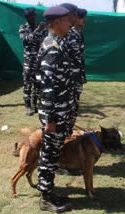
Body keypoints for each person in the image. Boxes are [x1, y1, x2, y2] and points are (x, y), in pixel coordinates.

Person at [37, 5, 73, 212]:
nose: (70, 23)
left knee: (53, 154)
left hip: (59, 110)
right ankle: (45, 199)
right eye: (67, 20)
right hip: (53, 113)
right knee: (49, 155)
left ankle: (49, 191)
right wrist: (50, 118)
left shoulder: (57, 44)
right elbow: (48, 85)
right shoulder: (52, 47)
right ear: (57, 22)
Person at [19, 7, 47, 115]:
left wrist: (44, 29)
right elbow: (26, 40)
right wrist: (37, 30)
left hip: (38, 61)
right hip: (28, 61)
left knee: (38, 84)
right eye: (32, 16)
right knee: (28, 84)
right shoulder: (23, 28)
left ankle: (35, 106)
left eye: (34, 15)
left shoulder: (38, 27)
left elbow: (44, 39)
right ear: (27, 17)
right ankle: (28, 107)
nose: (34, 17)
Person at [59, 3, 83, 126]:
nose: (77, 18)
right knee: (65, 115)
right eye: (74, 15)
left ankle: (68, 132)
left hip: (73, 79)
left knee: (72, 111)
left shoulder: (72, 33)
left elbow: (78, 57)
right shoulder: (61, 36)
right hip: (65, 83)